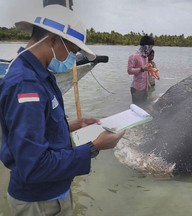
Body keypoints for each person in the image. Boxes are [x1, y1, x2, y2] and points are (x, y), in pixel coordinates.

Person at [0, 5, 124, 216]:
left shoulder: (39, 74)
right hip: (39, 201)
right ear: (52, 39)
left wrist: (73, 125)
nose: (72, 58)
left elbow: (37, 129)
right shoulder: (26, 85)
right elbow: (34, 166)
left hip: (52, 193)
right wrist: (94, 147)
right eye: (72, 51)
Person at [127, 35, 154, 106]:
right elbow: (129, 71)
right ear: (145, 46)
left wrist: (148, 83)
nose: (150, 49)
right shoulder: (133, 56)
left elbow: (146, 72)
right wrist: (141, 69)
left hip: (145, 88)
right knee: (136, 109)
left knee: (144, 108)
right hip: (137, 89)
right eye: (150, 47)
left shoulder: (145, 57)